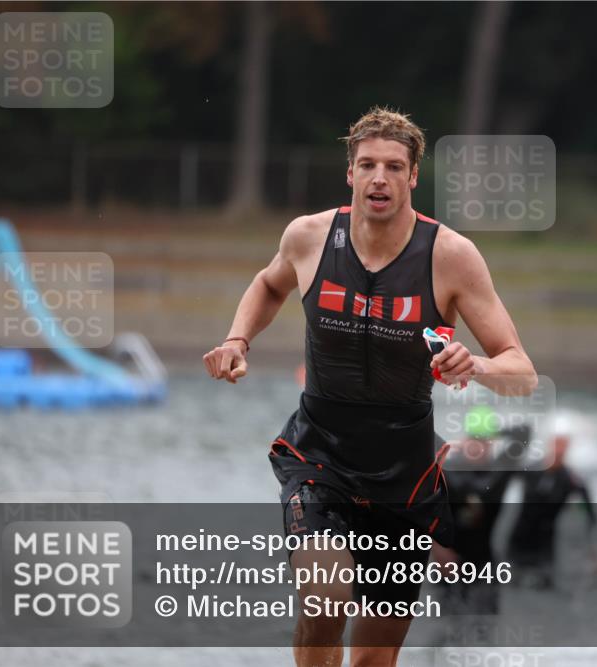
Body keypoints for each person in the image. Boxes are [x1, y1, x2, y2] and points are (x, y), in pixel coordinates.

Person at [202, 107, 536, 667]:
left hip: (405, 474)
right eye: (368, 165)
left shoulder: (450, 255)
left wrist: (473, 365)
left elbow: (521, 372)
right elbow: (268, 283)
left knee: (375, 659)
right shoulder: (308, 237)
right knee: (326, 601)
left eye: (393, 167)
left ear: (412, 178)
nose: (380, 177)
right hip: (320, 453)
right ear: (350, 174)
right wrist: (238, 339)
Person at [434, 407, 531, 614]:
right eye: (473, 440)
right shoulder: (447, 470)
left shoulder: (500, 471)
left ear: (493, 442)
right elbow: (421, 510)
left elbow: (524, 431)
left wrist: (494, 431)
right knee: (447, 626)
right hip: (449, 560)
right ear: (465, 439)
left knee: (485, 627)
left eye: (484, 441)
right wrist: (437, 549)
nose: (479, 447)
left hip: (484, 561)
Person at [508, 433, 597, 590]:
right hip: (522, 530)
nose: (559, 451)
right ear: (550, 446)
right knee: (512, 578)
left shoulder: (571, 479)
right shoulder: (532, 469)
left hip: (546, 535)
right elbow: (502, 477)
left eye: (563, 447)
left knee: (545, 581)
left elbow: (589, 509)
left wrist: (592, 546)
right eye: (557, 446)